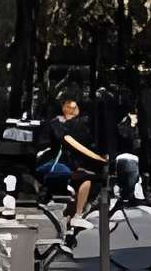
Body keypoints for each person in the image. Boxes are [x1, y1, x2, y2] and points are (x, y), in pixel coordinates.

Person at [45, 97, 107, 230]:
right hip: (60, 163)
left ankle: (72, 216)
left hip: (68, 161)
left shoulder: (69, 124)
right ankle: (78, 215)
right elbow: (72, 143)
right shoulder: (59, 125)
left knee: (89, 176)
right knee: (86, 178)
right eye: (74, 107)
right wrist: (98, 158)